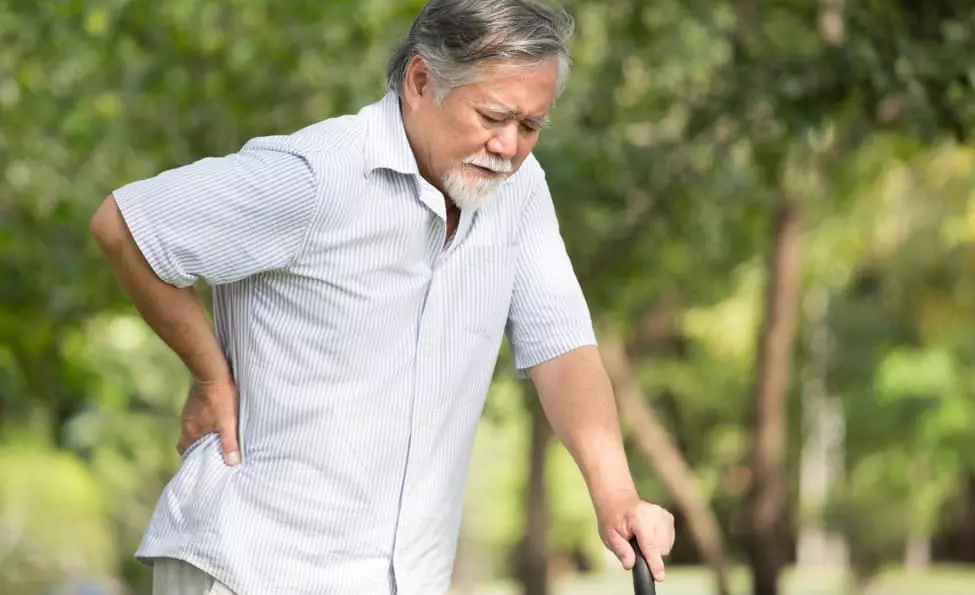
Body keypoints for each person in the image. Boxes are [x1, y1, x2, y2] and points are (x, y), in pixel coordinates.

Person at [89, 1, 676, 594]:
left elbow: (563, 347)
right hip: (254, 565)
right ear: (421, 81)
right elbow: (127, 224)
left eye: (529, 126)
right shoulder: (315, 176)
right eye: (493, 117)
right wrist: (211, 377)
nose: (509, 147)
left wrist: (617, 494)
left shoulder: (519, 193)